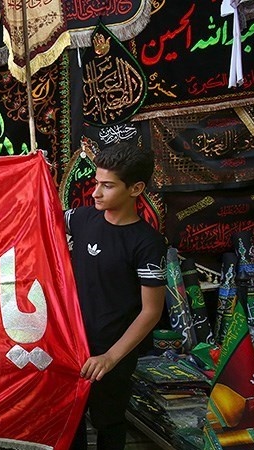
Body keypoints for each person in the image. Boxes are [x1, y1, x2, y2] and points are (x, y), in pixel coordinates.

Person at [64, 142, 167, 450]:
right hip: (73, 345)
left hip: (114, 353)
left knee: (108, 420)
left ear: (136, 188)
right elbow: (40, 213)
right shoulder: (82, 220)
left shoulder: (147, 244)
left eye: (107, 186)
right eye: (97, 183)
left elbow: (151, 312)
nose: (96, 192)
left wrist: (110, 357)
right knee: (71, 420)